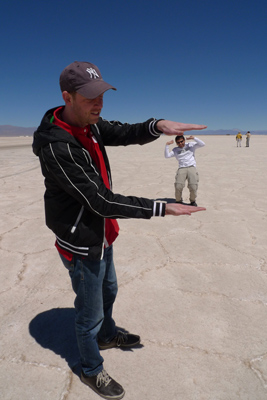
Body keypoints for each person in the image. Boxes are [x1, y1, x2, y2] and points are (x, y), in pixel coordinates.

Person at [32, 61, 207, 400]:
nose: (98, 104)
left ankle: (106, 334)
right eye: (88, 98)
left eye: (101, 96)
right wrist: (161, 206)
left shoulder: (90, 124)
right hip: (81, 239)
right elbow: (99, 201)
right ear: (67, 97)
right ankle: (90, 368)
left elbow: (125, 132)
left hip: (101, 233)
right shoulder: (59, 146)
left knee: (109, 290)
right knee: (89, 311)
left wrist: (157, 125)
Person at [165, 135, 205, 206]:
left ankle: (192, 201)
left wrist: (194, 138)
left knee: (193, 186)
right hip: (182, 168)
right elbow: (167, 156)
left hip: (191, 167)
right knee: (178, 186)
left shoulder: (190, 145)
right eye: (178, 142)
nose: (180, 143)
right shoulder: (175, 150)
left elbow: (202, 144)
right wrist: (167, 145)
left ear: (184, 140)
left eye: (181, 141)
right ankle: (178, 201)